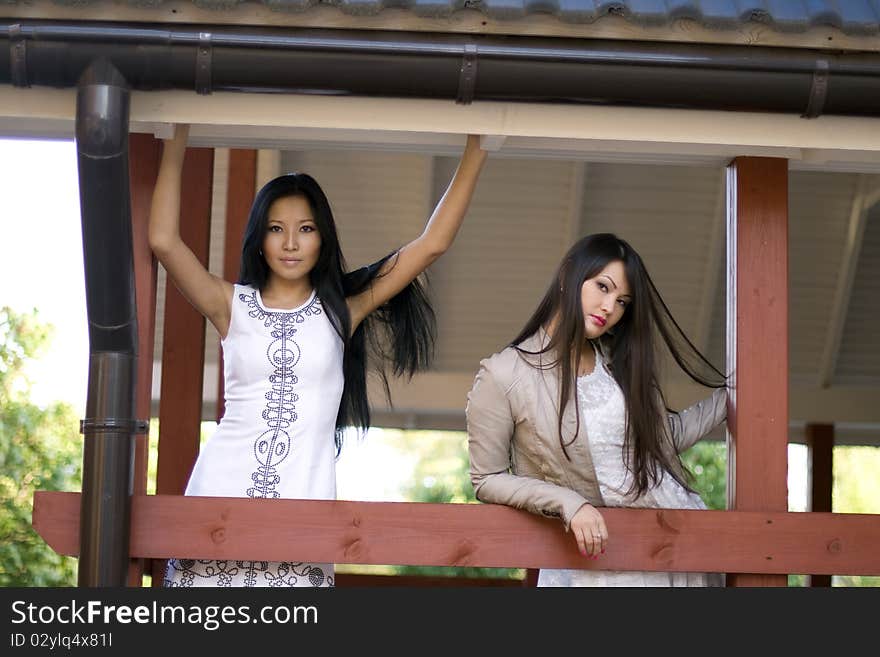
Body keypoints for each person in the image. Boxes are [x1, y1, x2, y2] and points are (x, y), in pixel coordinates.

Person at [150, 125, 488, 587]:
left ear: (322, 238)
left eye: (305, 229)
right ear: (260, 238)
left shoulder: (342, 311)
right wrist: (177, 135)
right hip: (217, 498)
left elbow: (432, 244)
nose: (291, 243)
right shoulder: (229, 305)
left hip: (302, 514)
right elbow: (164, 241)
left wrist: (479, 147)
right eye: (276, 229)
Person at [466, 233, 728, 587]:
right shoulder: (505, 375)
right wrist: (568, 503)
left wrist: (734, 395)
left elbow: (662, 440)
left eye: (622, 301)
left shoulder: (616, 362)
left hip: (666, 542)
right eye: (603, 288)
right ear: (567, 278)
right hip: (588, 555)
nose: (610, 308)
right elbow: (487, 479)